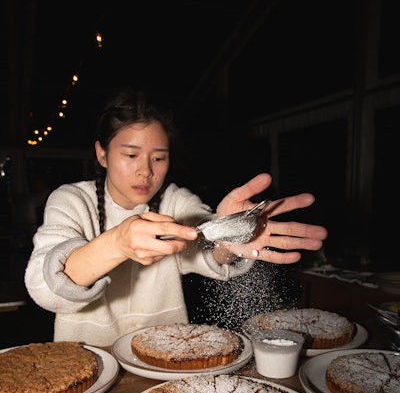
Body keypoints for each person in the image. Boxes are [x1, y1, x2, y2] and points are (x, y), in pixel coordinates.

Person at [24, 87, 328, 347]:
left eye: (159, 157)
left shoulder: (174, 201)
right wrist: (117, 244)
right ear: (102, 153)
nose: (146, 170)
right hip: (88, 362)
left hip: (166, 358)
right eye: (131, 155)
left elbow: (206, 251)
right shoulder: (72, 200)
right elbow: (44, 288)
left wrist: (230, 235)